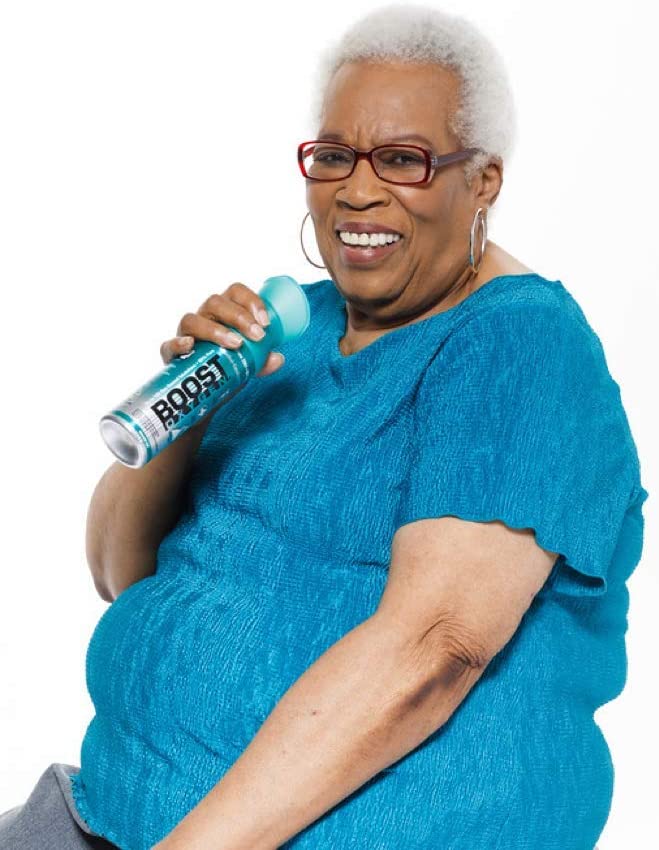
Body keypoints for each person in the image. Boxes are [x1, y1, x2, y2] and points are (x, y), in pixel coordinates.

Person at [1, 4, 647, 849]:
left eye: (403, 159)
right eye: (335, 155)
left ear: (482, 179)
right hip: (114, 807)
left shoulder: (517, 343)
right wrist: (187, 410)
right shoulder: (289, 329)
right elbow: (117, 570)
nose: (358, 187)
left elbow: (433, 645)